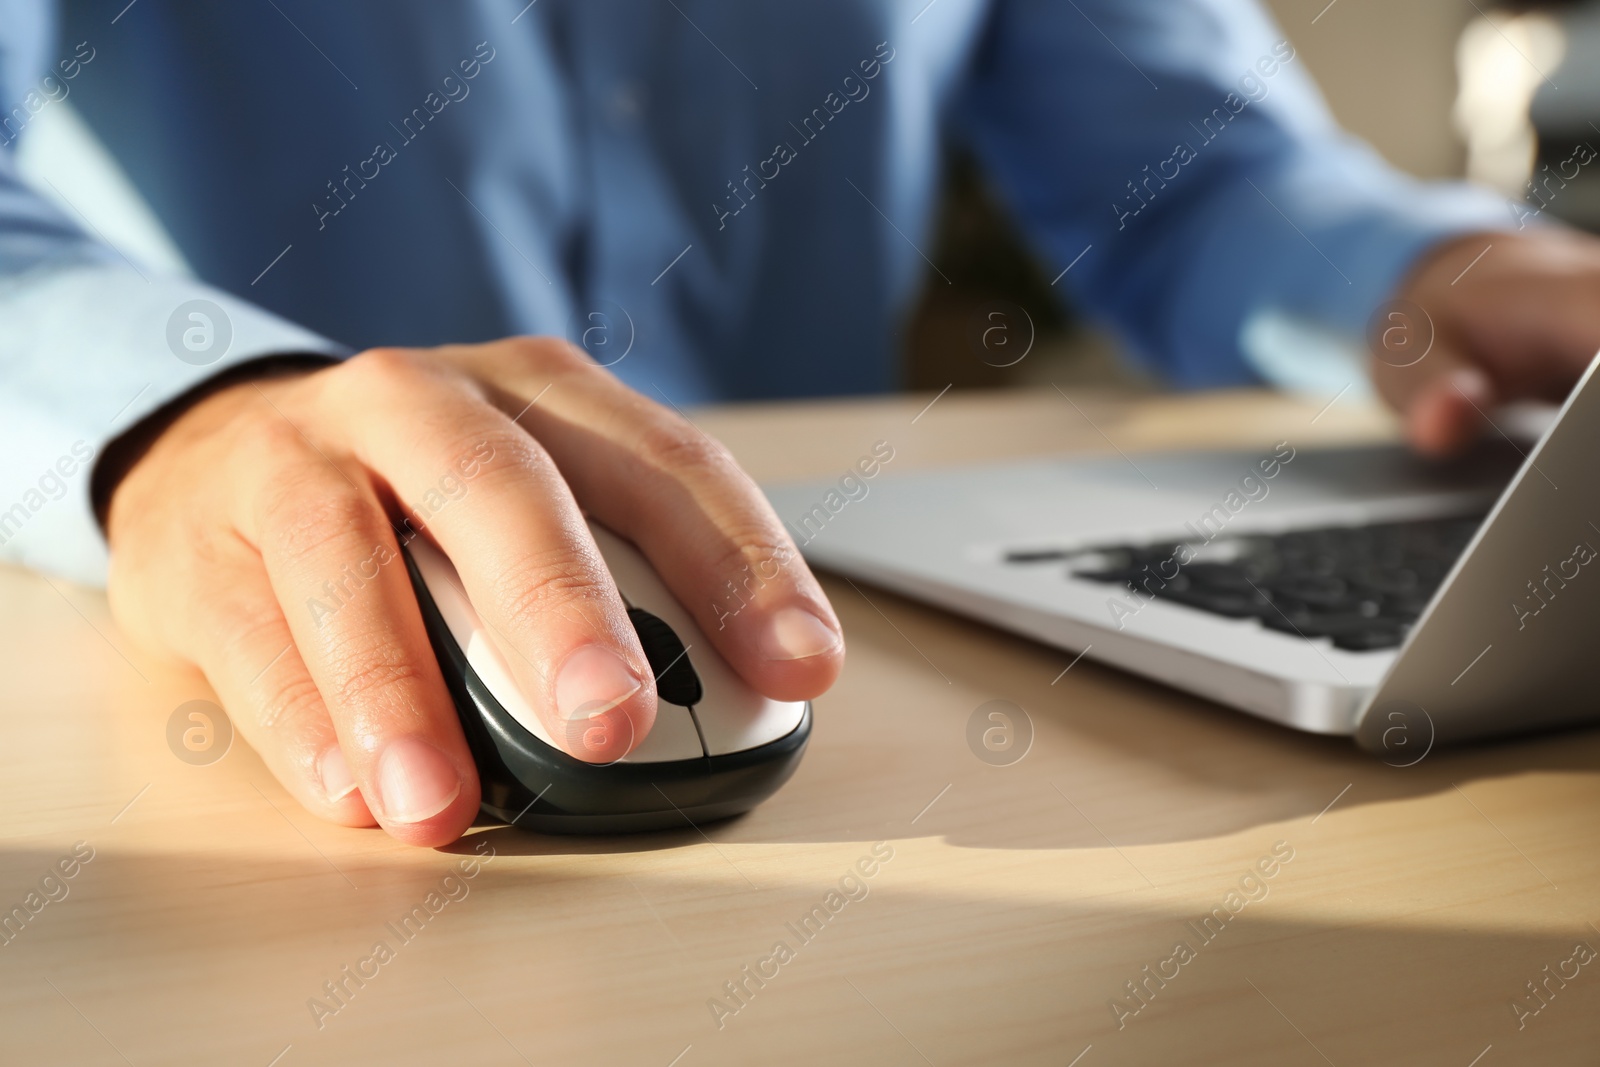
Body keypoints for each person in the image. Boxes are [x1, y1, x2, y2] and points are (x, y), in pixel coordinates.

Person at [2, 1, 1597, 847]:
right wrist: (178, 412)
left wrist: (1432, 270)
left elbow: (1192, 169)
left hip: (821, 595)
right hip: (215, 607)